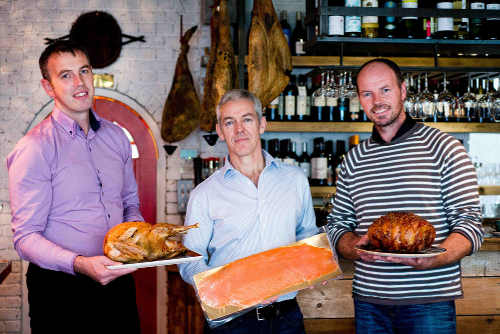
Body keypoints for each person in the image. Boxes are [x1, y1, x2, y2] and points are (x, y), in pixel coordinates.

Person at [325, 58, 484, 334]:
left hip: (428, 304)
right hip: (369, 302)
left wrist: (436, 257)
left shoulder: (445, 148)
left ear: (403, 90)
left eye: (385, 90)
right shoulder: (354, 159)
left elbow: (470, 225)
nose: (377, 100)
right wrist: (356, 248)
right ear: (359, 99)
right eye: (367, 93)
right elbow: (337, 226)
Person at [7, 40, 143, 333]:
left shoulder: (117, 138)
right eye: (65, 75)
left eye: (84, 71)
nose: (79, 82)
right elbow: (25, 237)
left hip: (119, 282)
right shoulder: (34, 148)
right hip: (60, 291)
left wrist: (137, 235)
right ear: (48, 87)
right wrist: (80, 263)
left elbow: (130, 201)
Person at [178, 89, 318, 333]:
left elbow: (306, 237)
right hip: (232, 321)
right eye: (229, 122)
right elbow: (190, 260)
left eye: (247, 119)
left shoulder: (295, 180)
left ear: (262, 124)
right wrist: (227, 287)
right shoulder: (204, 194)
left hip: (286, 318)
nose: (239, 129)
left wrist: (318, 262)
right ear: (220, 132)